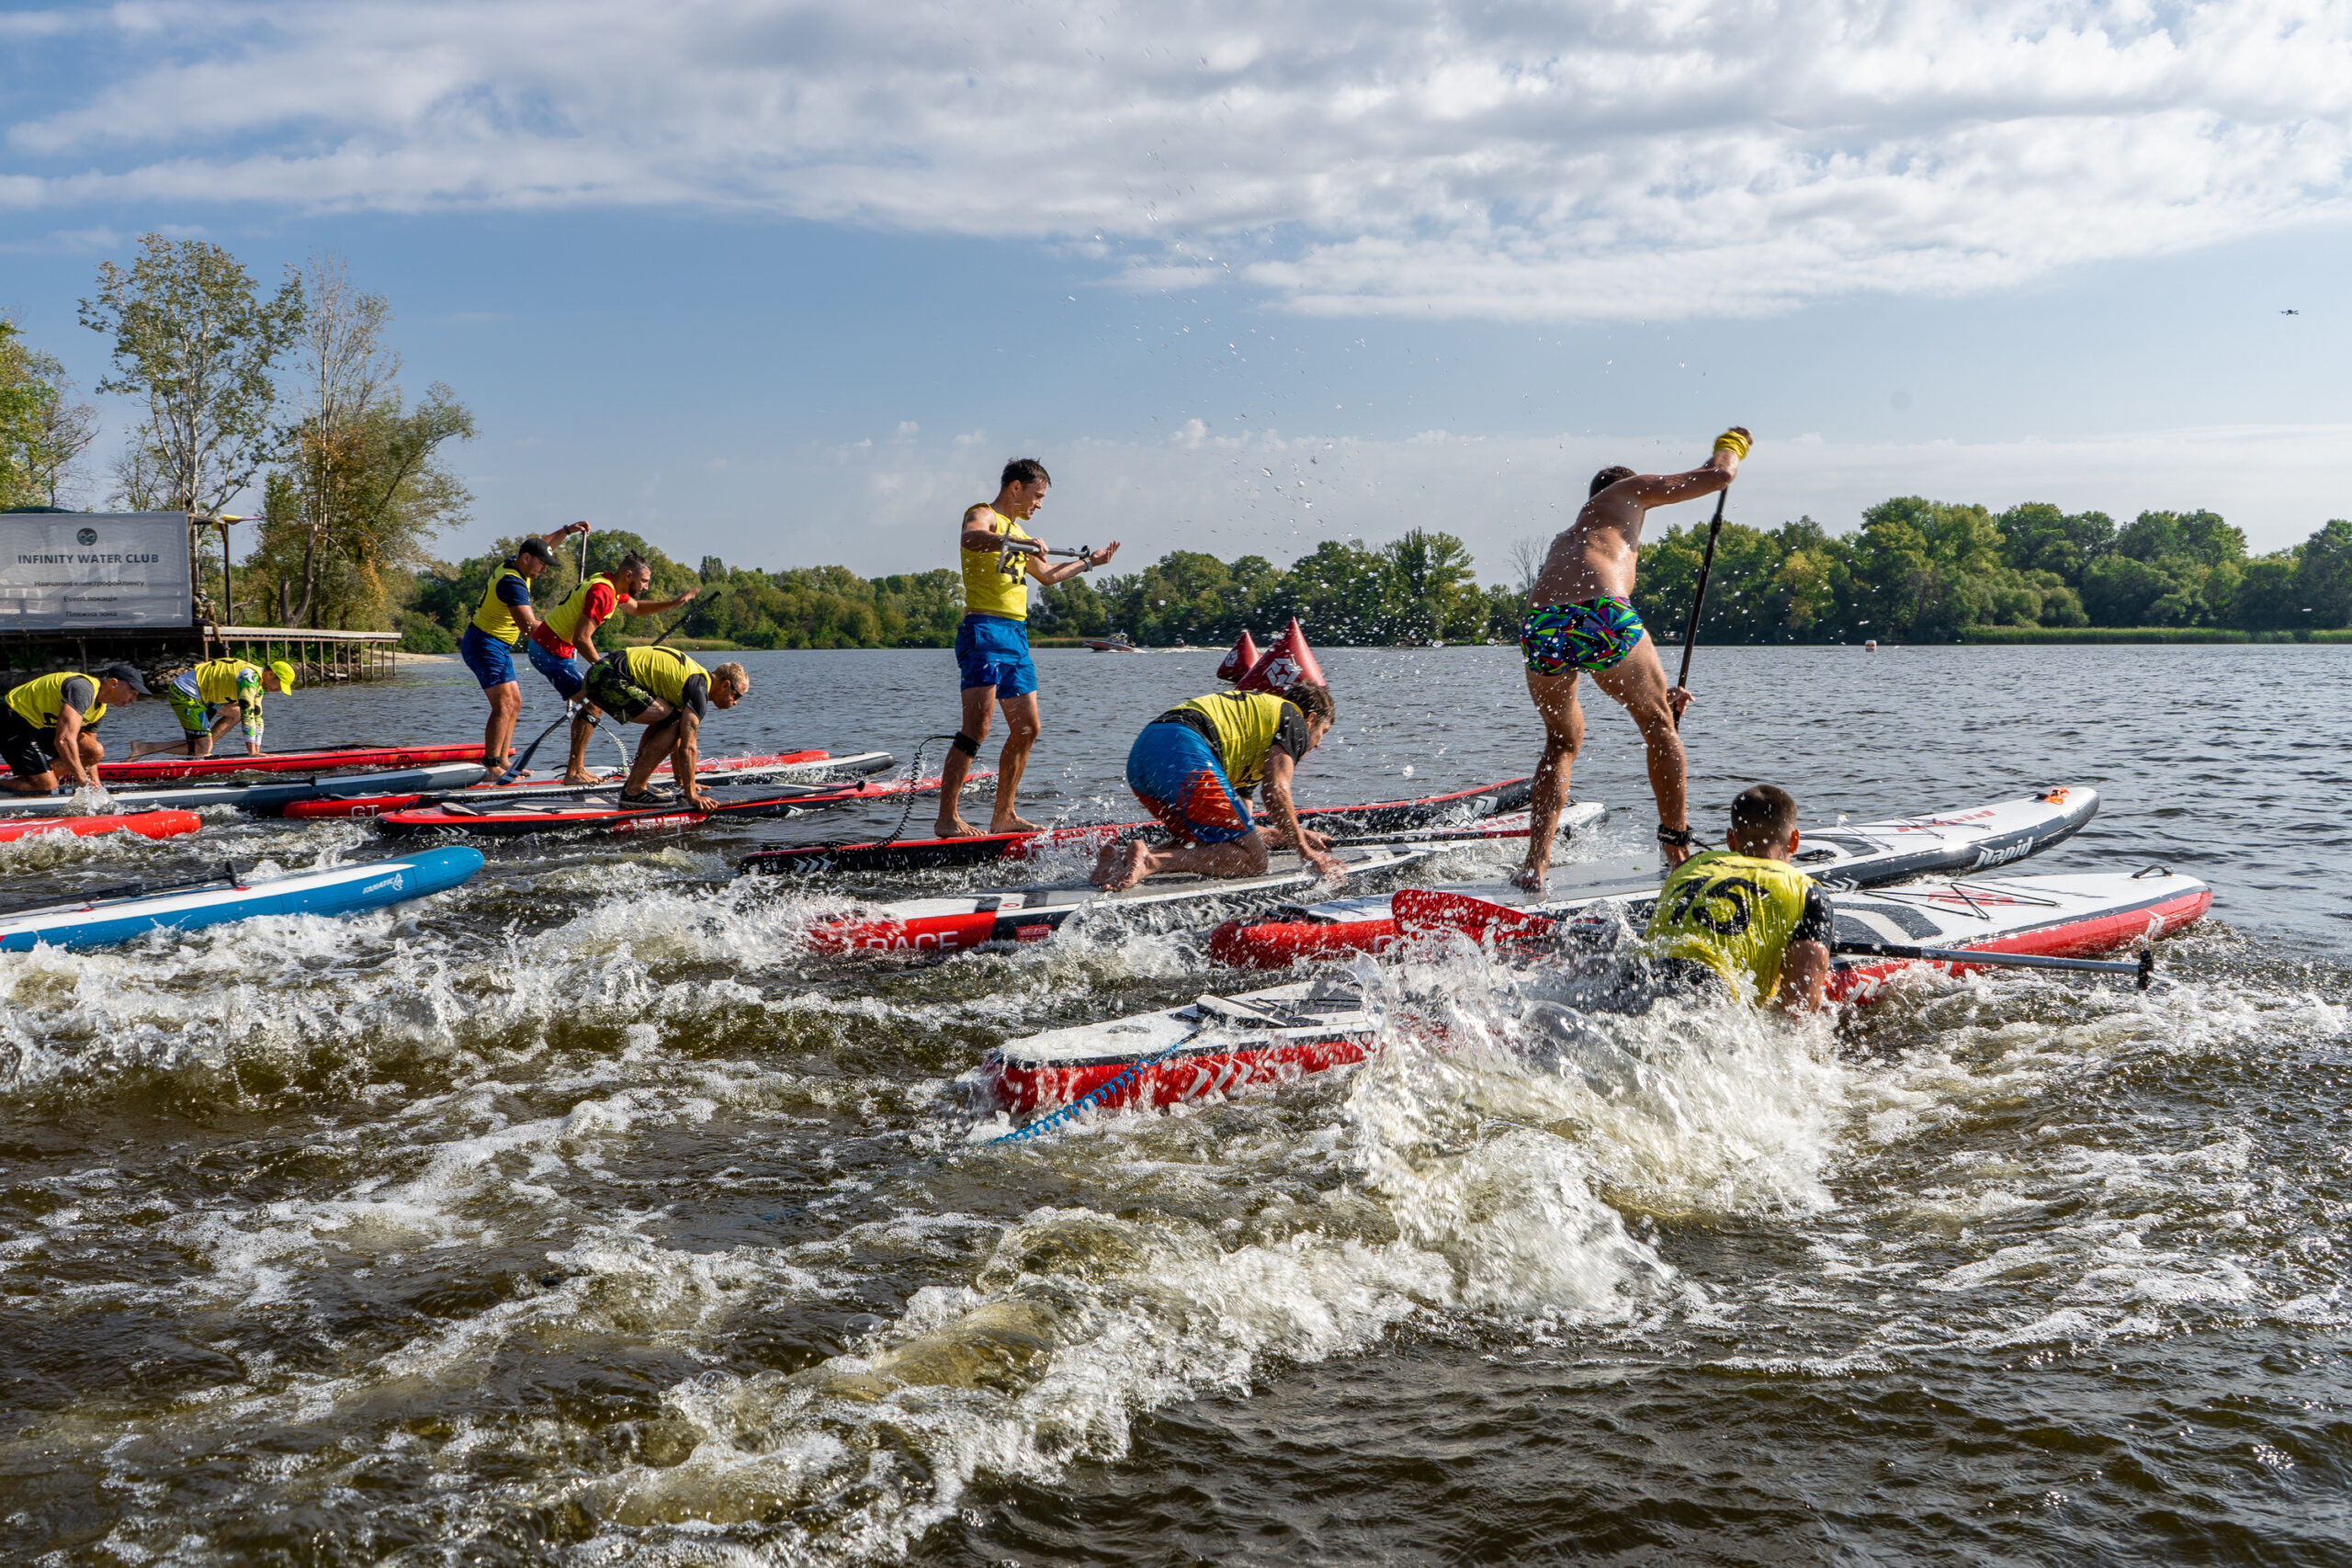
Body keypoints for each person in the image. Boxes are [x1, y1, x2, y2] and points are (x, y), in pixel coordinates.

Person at [1514, 427, 1750, 890]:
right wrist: (1734, 444)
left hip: (1540, 624)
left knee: (1561, 743)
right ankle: (1676, 845)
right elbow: (1718, 476)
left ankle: (1534, 867)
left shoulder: (1571, 536)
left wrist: (1659, 690)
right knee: (1660, 725)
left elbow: (1581, 610)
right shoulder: (1626, 490)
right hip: (1600, 614)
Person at [937, 458, 1121, 837]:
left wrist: (1090, 562)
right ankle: (947, 819)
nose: (1039, 504)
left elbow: (1048, 575)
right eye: (1036, 496)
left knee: (1027, 728)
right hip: (983, 630)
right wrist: (1011, 540)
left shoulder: (1019, 532)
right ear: (1016, 487)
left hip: (1016, 636)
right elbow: (970, 538)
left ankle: (1004, 814)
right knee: (977, 729)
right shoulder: (982, 514)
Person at [1091, 682, 1345, 893]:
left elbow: (1240, 828)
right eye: (1323, 731)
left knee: (1207, 840)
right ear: (1311, 720)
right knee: (1254, 861)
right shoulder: (1295, 721)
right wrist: (1307, 852)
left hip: (1144, 756)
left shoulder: (1257, 731)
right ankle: (1150, 860)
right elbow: (1276, 792)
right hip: (1185, 748)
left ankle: (1118, 862)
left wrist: (1289, 834)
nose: (1319, 744)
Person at [1641, 784, 1831, 1011]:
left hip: (1636, 980)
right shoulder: (1807, 892)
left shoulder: (1690, 866)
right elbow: (1799, 1008)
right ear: (1794, 841)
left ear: (1731, 839)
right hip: (1707, 1000)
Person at [526, 551, 699, 783]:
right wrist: (605, 671)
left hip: (549, 647)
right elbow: (582, 638)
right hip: (549, 651)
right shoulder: (602, 592)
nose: (646, 586)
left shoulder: (609, 584)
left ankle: (576, 769)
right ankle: (574, 772)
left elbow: (636, 608)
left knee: (593, 702)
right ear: (629, 575)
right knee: (594, 702)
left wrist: (674, 603)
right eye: (644, 581)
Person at [458, 522, 592, 782]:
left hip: (496, 644)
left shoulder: (517, 561)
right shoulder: (513, 584)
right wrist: (566, 632)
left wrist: (567, 530)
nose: (543, 569)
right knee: (504, 704)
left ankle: (504, 760)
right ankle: (491, 765)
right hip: (483, 643)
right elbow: (530, 627)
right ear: (526, 559)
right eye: (541, 564)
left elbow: (543, 546)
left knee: (514, 702)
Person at [581, 645, 750, 809]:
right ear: (725, 685)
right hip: (609, 677)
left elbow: (677, 740)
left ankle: (638, 783)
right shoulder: (699, 690)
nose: (735, 703)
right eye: (737, 696)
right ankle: (634, 790)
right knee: (673, 721)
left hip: (598, 672)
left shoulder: (694, 679)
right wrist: (692, 795)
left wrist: (682, 780)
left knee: (669, 720)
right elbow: (688, 747)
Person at [0, 665, 151, 795]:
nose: (133, 700)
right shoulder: (82, 689)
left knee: (94, 751)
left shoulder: (100, 709)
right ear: (113, 683)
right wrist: (83, 781)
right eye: (132, 692)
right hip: (11, 718)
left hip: (38, 726)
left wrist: (96, 785)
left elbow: (90, 754)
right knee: (46, 787)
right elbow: (64, 740)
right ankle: (36, 781)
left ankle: (33, 777)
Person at [137, 658, 297, 760]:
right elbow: (249, 714)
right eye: (279, 685)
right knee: (203, 747)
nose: (278, 690)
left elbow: (257, 718)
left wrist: (258, 750)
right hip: (185, 691)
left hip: (204, 696)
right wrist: (252, 754)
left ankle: (203, 747)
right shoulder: (249, 677)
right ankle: (144, 748)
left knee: (237, 714)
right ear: (270, 674)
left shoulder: (258, 687)